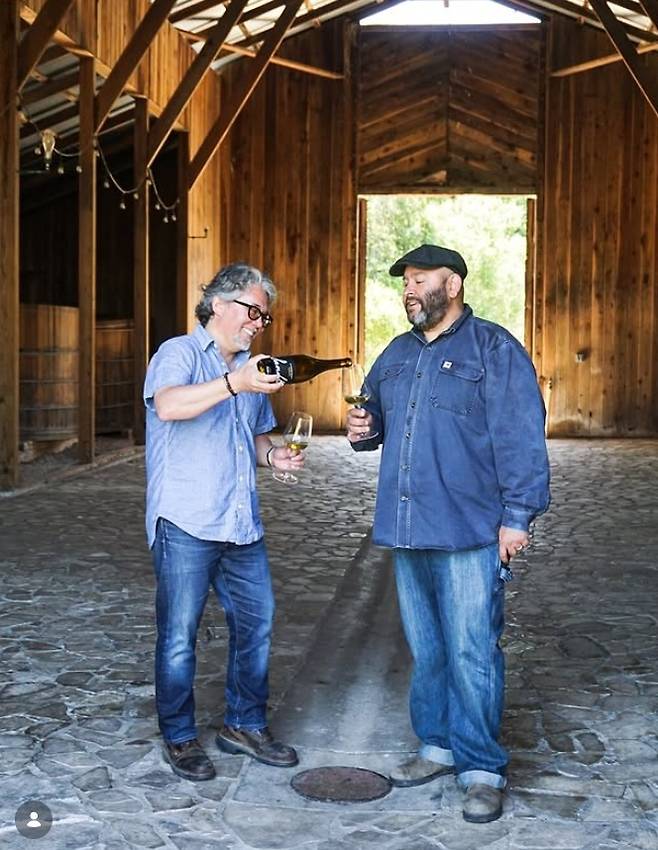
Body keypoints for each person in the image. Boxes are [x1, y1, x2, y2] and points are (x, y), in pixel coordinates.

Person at [346, 244, 550, 823]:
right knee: (429, 649)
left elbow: (521, 437)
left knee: (472, 650)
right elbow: (372, 426)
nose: (409, 289)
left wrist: (518, 516)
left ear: (453, 284)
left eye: (419, 279)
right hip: (410, 529)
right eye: (404, 281)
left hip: (470, 530)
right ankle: (436, 746)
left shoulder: (495, 349)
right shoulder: (396, 353)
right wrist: (361, 429)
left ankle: (482, 767)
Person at [144, 262, 303, 781]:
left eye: (265, 315)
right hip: (187, 521)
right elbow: (168, 406)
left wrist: (273, 457)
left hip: (239, 525)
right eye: (252, 310)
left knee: (257, 623)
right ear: (219, 303)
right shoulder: (179, 353)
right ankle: (180, 736)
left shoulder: (250, 369)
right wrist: (233, 382)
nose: (259, 322)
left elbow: (255, 437)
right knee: (178, 636)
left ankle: (244, 724)